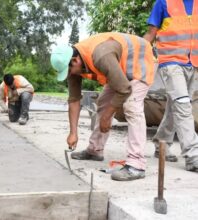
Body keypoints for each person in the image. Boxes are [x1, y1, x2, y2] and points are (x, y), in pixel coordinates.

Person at [50, 32, 155, 181]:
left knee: (132, 107)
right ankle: (95, 150)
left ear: (75, 60)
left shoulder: (101, 56)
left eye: (69, 70)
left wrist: (107, 117)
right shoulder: (73, 65)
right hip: (119, 70)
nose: (69, 74)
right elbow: (74, 100)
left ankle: (136, 164)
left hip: (139, 62)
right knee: (103, 103)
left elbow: (124, 89)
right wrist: (73, 132)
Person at [143, 0, 198, 171]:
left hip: (194, 63)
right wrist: (135, 55)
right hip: (171, 62)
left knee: (175, 107)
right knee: (183, 107)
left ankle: (162, 143)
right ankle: (193, 156)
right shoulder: (163, 3)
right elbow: (151, 34)